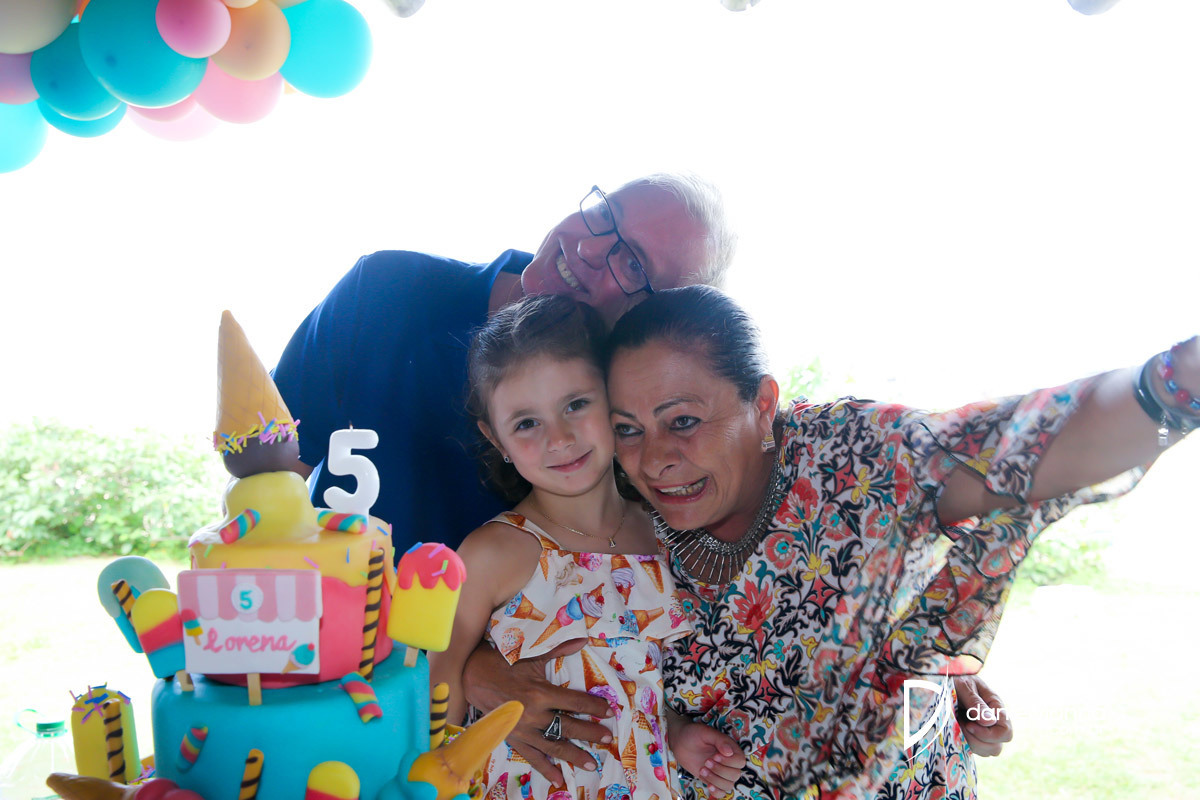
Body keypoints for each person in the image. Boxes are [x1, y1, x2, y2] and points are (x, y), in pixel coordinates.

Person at [467, 285, 1197, 798]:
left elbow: (1025, 443)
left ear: (763, 404)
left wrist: (1170, 385)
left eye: (683, 420)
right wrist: (478, 675)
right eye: (629, 429)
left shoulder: (851, 454)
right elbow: (529, 634)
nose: (656, 458)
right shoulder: (625, 519)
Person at [271, 174, 733, 555]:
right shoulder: (385, 290)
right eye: (602, 216)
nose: (589, 250)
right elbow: (266, 472)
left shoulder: (642, 417)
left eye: (632, 264)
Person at [429, 294, 746, 800]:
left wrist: (678, 733)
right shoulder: (492, 552)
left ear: (613, 400)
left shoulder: (665, 534)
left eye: (576, 404)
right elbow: (435, 691)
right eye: (526, 423)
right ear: (497, 438)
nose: (559, 438)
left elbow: (637, 683)